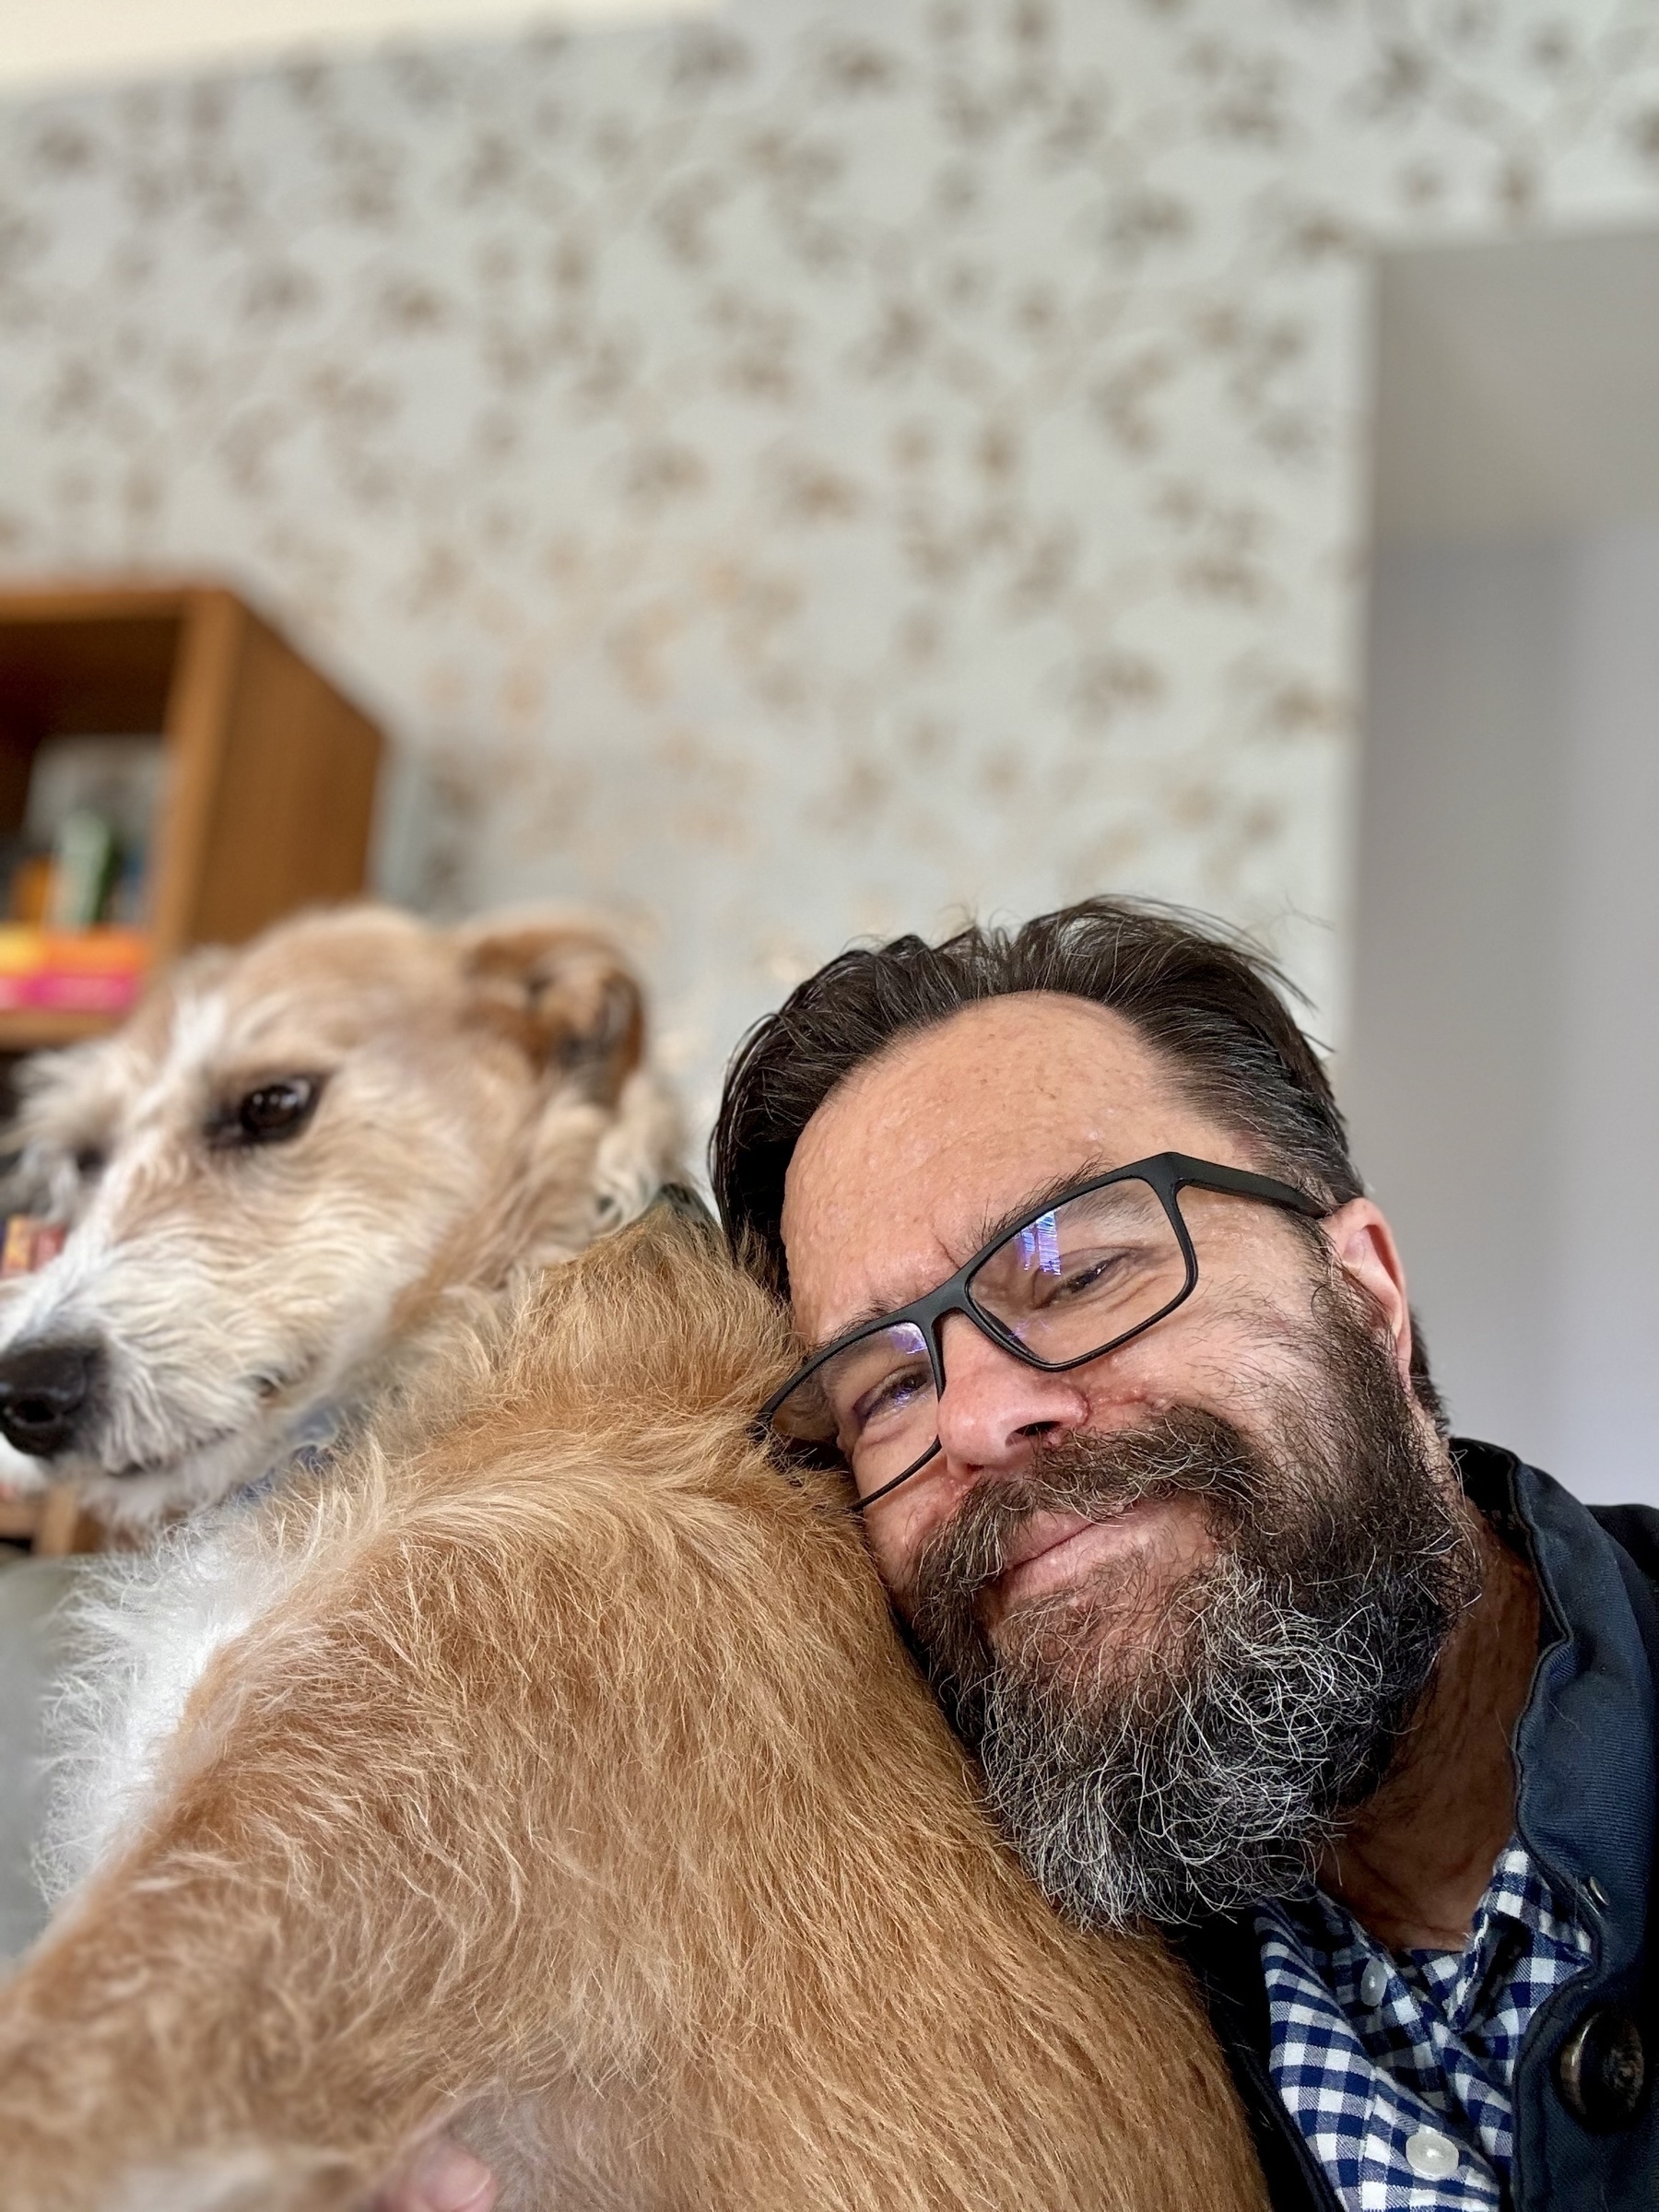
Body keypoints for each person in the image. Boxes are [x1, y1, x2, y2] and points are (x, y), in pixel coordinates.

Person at [386, 898, 1659, 2212]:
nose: (981, 1419)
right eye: (884, 1390)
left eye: (1080, 1271)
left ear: (1369, 1293)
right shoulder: (959, 2007)